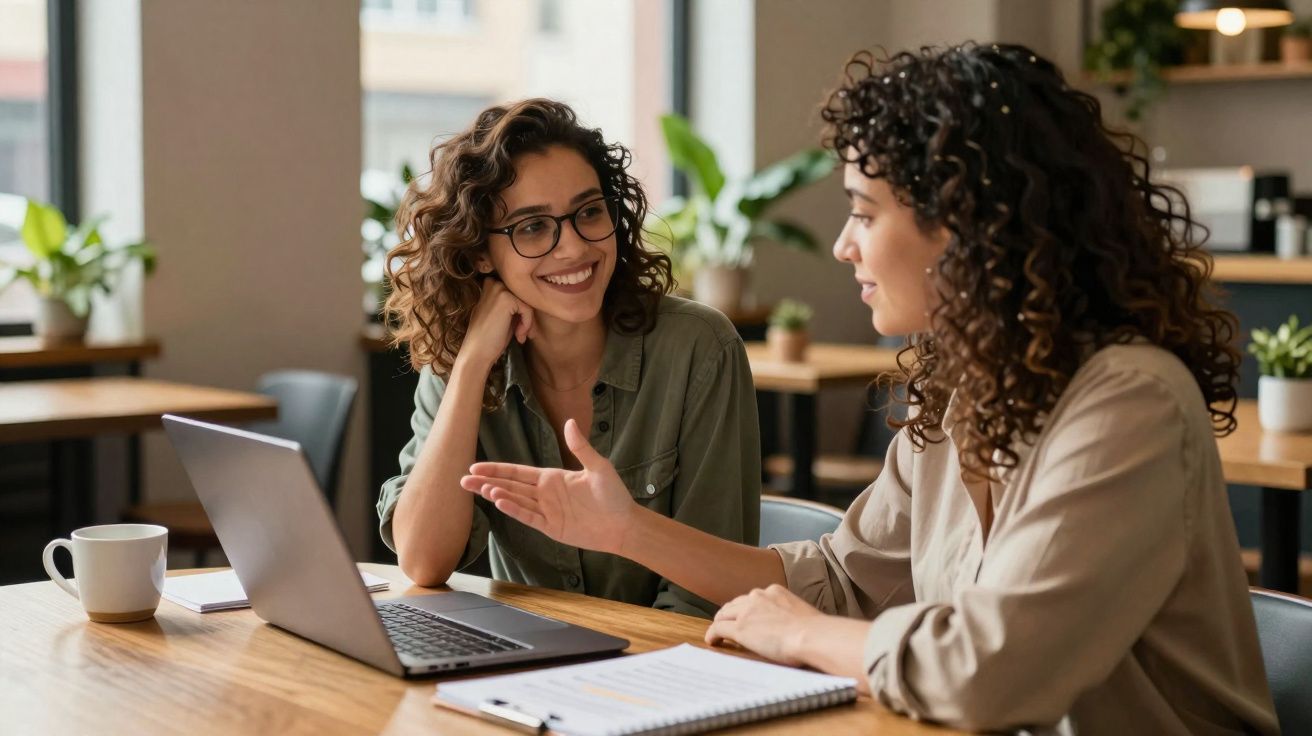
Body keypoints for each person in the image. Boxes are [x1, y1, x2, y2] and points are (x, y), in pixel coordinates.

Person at [461, 46, 1278, 733]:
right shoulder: (962, 389)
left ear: (966, 226)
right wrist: (627, 529)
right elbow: (846, 579)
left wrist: (811, 638)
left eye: (864, 212)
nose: (845, 246)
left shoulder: (1127, 401)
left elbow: (990, 672)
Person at [378, 99, 760, 619]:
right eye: (532, 227)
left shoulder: (698, 348)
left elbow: (707, 598)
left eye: (588, 212)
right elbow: (423, 560)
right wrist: (470, 367)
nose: (574, 248)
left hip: (663, 672)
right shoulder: (461, 358)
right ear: (480, 253)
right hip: (524, 667)